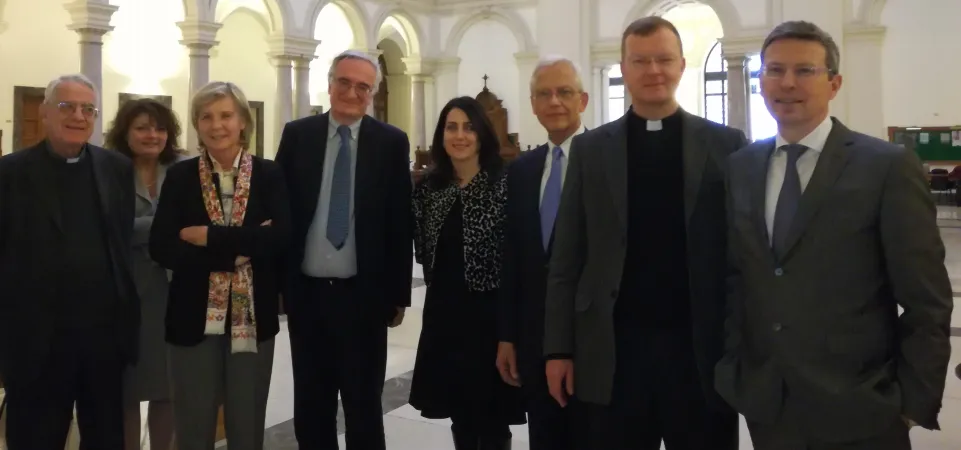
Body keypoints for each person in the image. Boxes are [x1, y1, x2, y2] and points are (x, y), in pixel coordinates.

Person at [715, 20, 953, 450]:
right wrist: (737, 366)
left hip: (863, 407)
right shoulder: (741, 167)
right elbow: (739, 276)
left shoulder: (885, 166)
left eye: (804, 70)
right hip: (769, 403)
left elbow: (926, 300)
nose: (786, 83)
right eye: (774, 70)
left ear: (834, 83)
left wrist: (912, 403)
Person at [543, 17, 748, 450]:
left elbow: (740, 259)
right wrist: (558, 350)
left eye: (663, 59)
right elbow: (566, 257)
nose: (653, 70)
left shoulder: (726, 145)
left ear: (681, 65)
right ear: (623, 66)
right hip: (615, 352)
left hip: (698, 353)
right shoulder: (591, 149)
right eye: (640, 61)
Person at [275, 49, 413, 450]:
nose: (352, 92)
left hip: (364, 295)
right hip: (308, 293)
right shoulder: (298, 135)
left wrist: (397, 295)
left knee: (363, 404)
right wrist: (280, 284)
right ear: (331, 82)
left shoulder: (390, 143)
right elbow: (282, 213)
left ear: (372, 92)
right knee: (311, 403)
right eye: (345, 82)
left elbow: (398, 222)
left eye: (363, 86)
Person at [0, 73, 140, 449]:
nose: (78, 116)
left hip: (103, 339)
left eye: (87, 109)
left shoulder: (116, 169)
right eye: (67, 106)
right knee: (35, 438)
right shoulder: (10, 173)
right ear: (45, 112)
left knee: (105, 438)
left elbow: (120, 244)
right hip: (37, 341)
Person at [149, 81, 290, 450]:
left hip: (251, 320)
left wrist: (208, 238)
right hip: (191, 319)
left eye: (226, 115)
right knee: (193, 428)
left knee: (246, 428)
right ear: (197, 124)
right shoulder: (180, 177)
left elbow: (280, 240)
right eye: (206, 117)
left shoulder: (269, 175)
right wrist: (242, 249)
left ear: (243, 120)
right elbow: (163, 247)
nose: (217, 125)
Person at [411, 96, 526, 450]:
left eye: (469, 127)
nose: (460, 136)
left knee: (491, 419)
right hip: (446, 317)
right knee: (460, 414)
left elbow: (518, 260)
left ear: (482, 134)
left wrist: (512, 331)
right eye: (451, 127)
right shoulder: (429, 190)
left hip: (490, 319)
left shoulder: (505, 184)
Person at [496, 55, 588, 450]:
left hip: (591, 340)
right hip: (533, 336)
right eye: (544, 94)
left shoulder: (605, 161)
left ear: (582, 100)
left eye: (564, 92)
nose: (555, 102)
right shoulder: (521, 170)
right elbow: (512, 257)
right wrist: (507, 336)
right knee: (545, 437)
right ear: (532, 104)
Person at [106, 97, 186, 450]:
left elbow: (195, 222)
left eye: (159, 128)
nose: (152, 135)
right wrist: (167, 228)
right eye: (142, 127)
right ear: (125, 133)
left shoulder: (184, 169)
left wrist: (143, 229)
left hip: (172, 294)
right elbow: (108, 228)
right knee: (123, 389)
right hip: (122, 294)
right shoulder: (107, 170)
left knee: (166, 387)